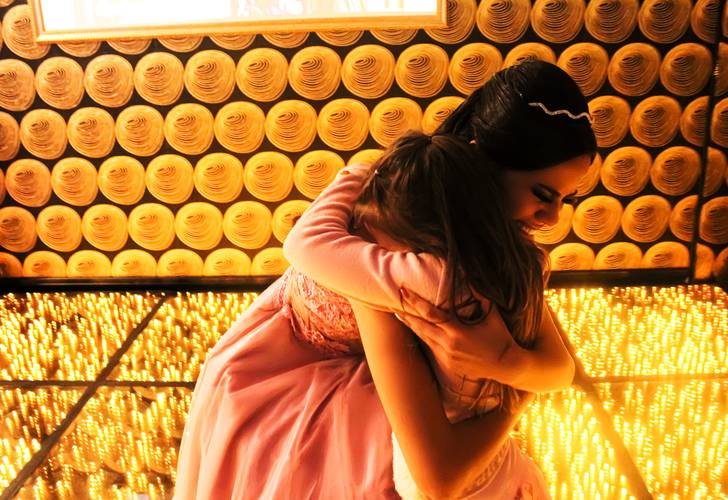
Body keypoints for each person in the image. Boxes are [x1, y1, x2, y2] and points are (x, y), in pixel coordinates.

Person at [174, 60, 597, 499]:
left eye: (566, 199)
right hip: (283, 369)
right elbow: (439, 478)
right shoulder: (400, 259)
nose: (553, 218)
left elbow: (559, 366)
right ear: (481, 161)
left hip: (380, 359)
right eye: (542, 194)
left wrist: (506, 363)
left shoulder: (486, 245)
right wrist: (515, 390)